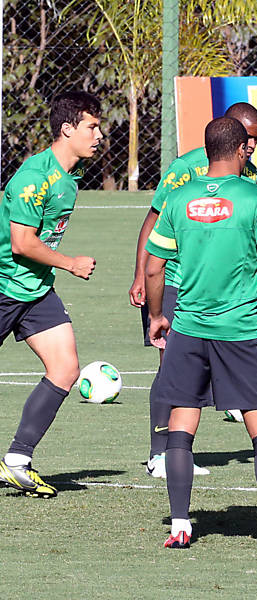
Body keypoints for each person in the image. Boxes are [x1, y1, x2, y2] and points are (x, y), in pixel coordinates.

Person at [144, 117, 257, 551]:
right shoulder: (256, 197)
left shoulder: (180, 198)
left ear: (207, 151)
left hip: (187, 331)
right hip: (239, 334)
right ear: (241, 149)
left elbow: (153, 265)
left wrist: (156, 314)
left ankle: (181, 526)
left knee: (182, 429)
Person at [130, 102, 257, 479]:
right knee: (171, 368)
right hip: (173, 279)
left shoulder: (249, 173)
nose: (251, 146)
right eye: (247, 137)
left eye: (256, 139)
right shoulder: (185, 169)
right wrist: (141, 274)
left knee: (200, 368)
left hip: (217, 289)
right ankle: (160, 453)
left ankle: (191, 437)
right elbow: (153, 219)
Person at [0, 91, 101, 499]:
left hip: (36, 290)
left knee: (65, 368)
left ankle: (17, 462)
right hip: (4, 286)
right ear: (67, 129)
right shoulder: (33, 177)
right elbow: (22, 243)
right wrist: (70, 262)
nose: (99, 135)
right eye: (91, 127)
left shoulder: (69, 180)